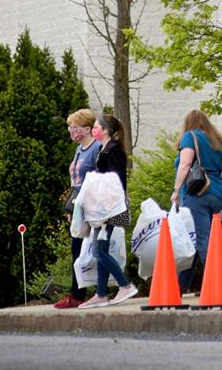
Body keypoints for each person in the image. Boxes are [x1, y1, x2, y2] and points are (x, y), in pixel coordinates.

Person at [171, 110, 222, 293]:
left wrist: (176, 190)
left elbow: (185, 164)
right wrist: (215, 182)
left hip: (196, 195)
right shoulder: (217, 140)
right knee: (194, 239)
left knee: (201, 238)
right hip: (217, 195)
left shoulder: (189, 137)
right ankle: (181, 285)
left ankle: (217, 284)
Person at [80, 113, 137, 308]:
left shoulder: (113, 150)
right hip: (102, 207)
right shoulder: (103, 149)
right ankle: (101, 293)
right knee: (100, 250)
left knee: (99, 251)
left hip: (107, 208)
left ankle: (125, 284)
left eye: (97, 127)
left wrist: (104, 200)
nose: (94, 130)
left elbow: (117, 180)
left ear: (105, 130)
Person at [54, 108, 102, 309]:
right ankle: (78, 293)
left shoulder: (96, 148)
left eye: (75, 127)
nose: (72, 131)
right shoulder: (79, 150)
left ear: (87, 128)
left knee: (95, 249)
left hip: (91, 205)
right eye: (70, 128)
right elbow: (75, 180)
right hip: (78, 206)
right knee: (77, 249)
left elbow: (101, 178)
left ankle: (98, 291)